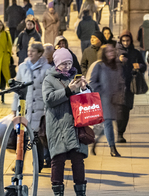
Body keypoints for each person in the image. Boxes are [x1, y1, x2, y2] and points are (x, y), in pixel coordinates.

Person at [43, 48, 88, 196]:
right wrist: (68, 91)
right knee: (58, 159)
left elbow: (87, 100)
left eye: (69, 63)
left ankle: (81, 192)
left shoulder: (75, 77)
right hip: (58, 125)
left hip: (75, 126)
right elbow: (48, 99)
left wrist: (84, 88)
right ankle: (58, 192)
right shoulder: (49, 79)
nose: (67, 66)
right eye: (64, 64)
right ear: (57, 64)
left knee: (78, 159)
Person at [13, 42, 52, 167]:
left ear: (40, 53)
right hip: (24, 107)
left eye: (33, 51)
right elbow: (17, 89)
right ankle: (19, 164)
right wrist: (14, 108)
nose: (30, 53)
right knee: (22, 138)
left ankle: (38, 164)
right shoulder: (22, 67)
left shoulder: (47, 69)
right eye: (29, 50)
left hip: (40, 109)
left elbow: (49, 89)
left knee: (37, 139)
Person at [89, 45, 125, 157]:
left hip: (114, 99)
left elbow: (120, 80)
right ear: (103, 53)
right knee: (108, 122)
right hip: (103, 99)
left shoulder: (117, 65)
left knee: (107, 124)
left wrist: (120, 91)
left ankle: (95, 141)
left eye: (112, 51)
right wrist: (101, 91)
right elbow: (92, 82)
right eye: (108, 51)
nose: (111, 53)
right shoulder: (99, 65)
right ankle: (112, 149)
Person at [116, 31, 147, 143]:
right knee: (120, 109)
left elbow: (144, 65)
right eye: (123, 41)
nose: (125, 43)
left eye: (127, 40)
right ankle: (119, 133)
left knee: (127, 109)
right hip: (117, 85)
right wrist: (118, 60)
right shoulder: (116, 52)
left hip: (130, 85)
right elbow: (107, 63)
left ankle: (121, 131)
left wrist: (140, 66)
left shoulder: (135, 53)